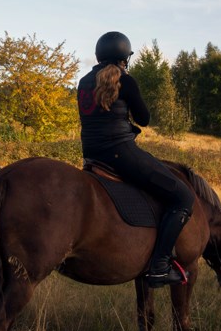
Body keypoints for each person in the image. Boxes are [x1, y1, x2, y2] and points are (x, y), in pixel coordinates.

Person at [77, 31, 194, 288]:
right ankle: (160, 265)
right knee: (184, 197)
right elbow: (144, 119)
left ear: (98, 55)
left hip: (91, 155)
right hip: (120, 153)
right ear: (124, 57)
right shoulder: (125, 81)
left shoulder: (84, 81)